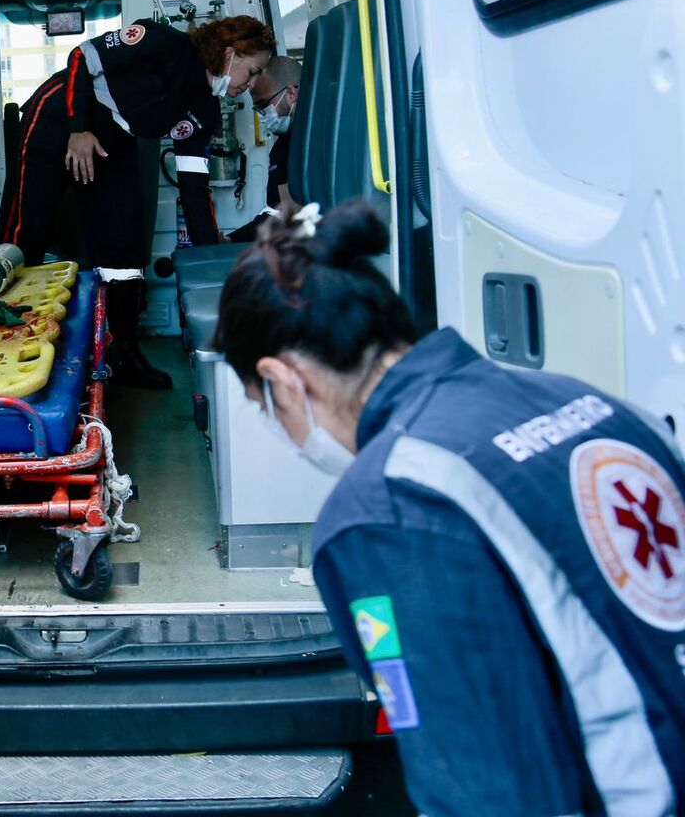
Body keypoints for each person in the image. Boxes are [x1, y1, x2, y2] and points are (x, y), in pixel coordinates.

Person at [212, 201, 684, 815]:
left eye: (262, 403)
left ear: (283, 379)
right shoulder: (586, 402)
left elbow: (481, 786)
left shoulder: (388, 511)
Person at [0, 15, 276, 389]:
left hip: (115, 140)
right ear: (231, 53)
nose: (252, 84)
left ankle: (123, 353)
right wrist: (78, 130)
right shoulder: (163, 42)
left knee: (125, 247)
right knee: (25, 230)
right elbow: (81, 57)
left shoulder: (203, 110)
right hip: (60, 118)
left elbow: (194, 190)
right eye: (253, 71)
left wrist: (212, 256)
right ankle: (7, 342)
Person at [229, 55, 302, 243]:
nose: (263, 115)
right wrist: (231, 240)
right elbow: (284, 214)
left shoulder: (319, 141)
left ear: (291, 94)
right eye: (258, 109)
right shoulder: (282, 149)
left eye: (263, 105)